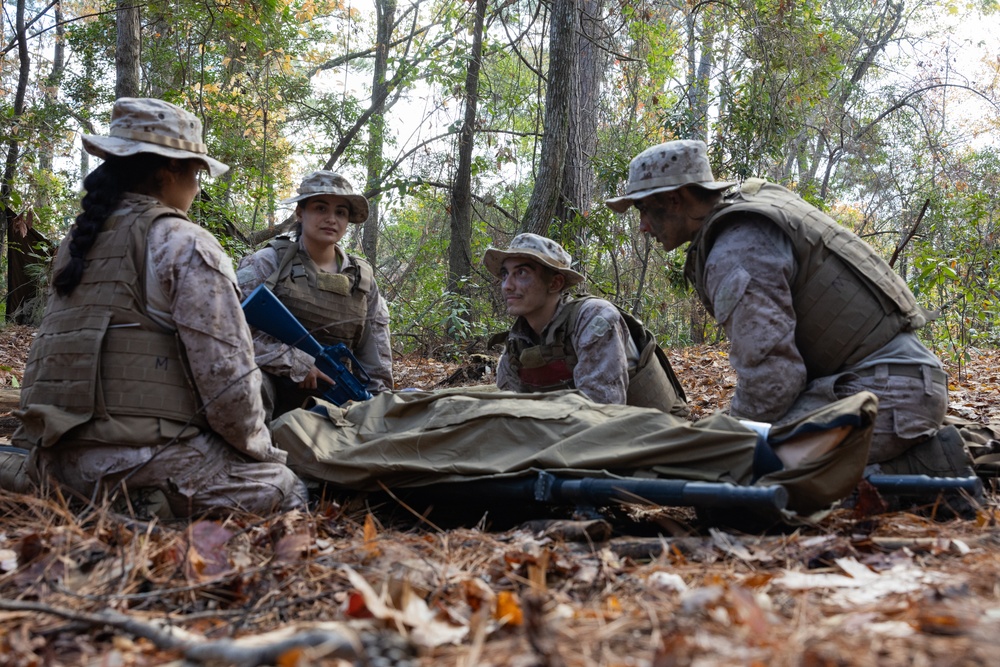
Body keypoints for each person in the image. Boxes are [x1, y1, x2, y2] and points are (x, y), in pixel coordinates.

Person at [605, 139, 976, 481]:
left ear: (675, 199)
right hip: (888, 383)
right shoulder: (745, 218)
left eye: (644, 208)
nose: (642, 227)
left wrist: (724, 441)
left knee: (733, 483)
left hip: (888, 392)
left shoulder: (736, 250)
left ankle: (934, 465)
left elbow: (773, 379)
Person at [11, 97, 306, 517]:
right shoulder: (184, 243)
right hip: (139, 465)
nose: (198, 186)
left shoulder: (75, 244)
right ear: (170, 169)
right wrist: (262, 452)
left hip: (52, 466)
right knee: (287, 487)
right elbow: (229, 384)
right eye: (196, 172)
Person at [237, 171, 393, 419]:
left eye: (340, 212)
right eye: (321, 208)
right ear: (300, 213)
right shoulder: (269, 263)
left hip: (333, 399)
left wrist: (379, 408)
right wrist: (295, 363)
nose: (331, 219)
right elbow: (229, 330)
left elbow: (376, 357)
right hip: (269, 394)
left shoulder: (362, 278)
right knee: (246, 383)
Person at [484, 233, 687, 415]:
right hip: (579, 436)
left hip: (655, 435)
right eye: (505, 274)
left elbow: (602, 411)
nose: (507, 286)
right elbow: (510, 411)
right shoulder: (517, 342)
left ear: (555, 283)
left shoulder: (593, 318)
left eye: (521, 273)